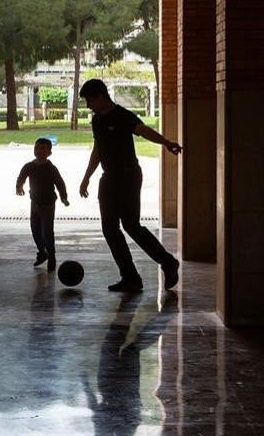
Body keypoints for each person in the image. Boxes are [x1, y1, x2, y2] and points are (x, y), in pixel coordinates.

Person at [77, 79, 182, 292]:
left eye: (89, 100)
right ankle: (130, 277)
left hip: (128, 177)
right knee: (109, 229)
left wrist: (167, 143)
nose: (88, 106)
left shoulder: (123, 116)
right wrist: (87, 176)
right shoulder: (97, 120)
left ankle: (167, 262)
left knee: (131, 226)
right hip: (108, 179)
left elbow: (144, 130)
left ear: (99, 96)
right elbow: (98, 149)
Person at [15, 137, 69, 271]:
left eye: (43, 149)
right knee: (35, 231)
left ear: (49, 153)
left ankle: (52, 256)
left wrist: (63, 197)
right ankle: (42, 252)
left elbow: (60, 183)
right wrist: (19, 187)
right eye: (37, 148)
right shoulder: (29, 166)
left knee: (47, 233)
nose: (39, 151)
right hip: (35, 204)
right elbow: (21, 177)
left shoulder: (51, 168)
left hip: (48, 204)